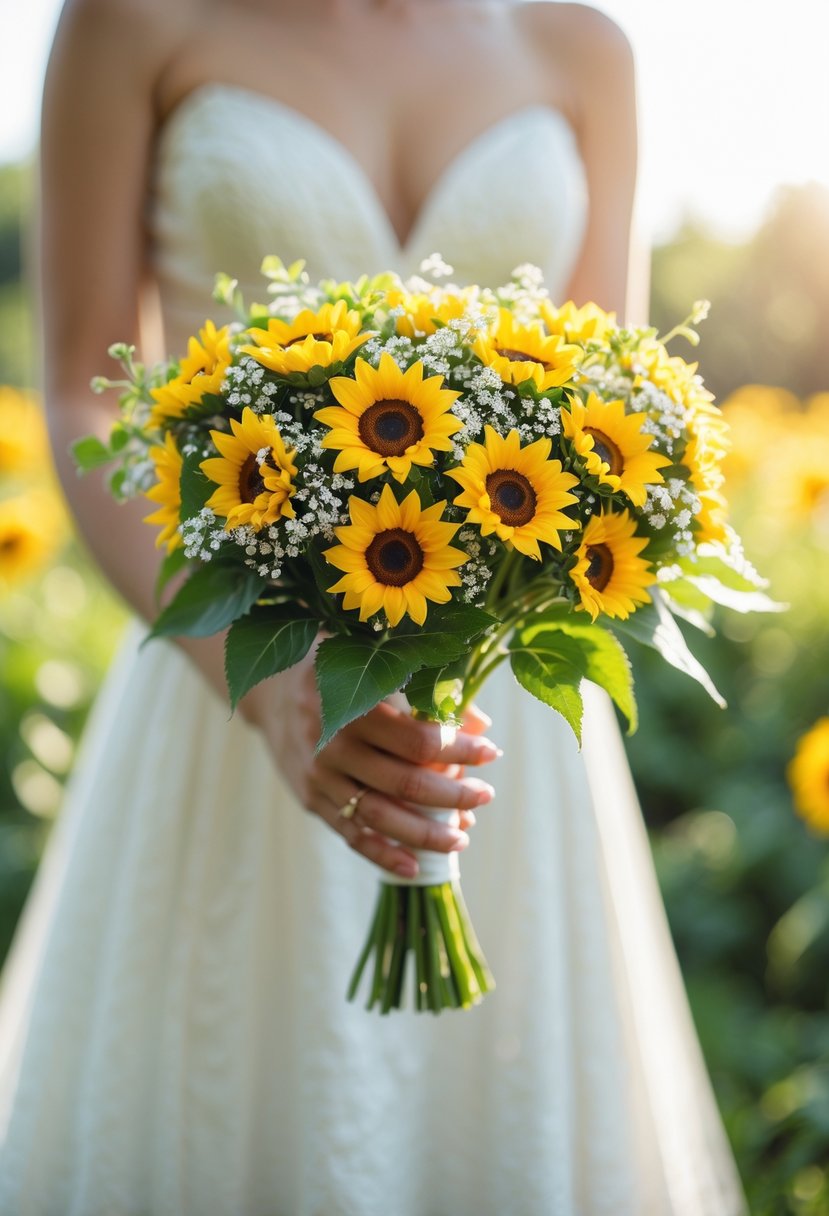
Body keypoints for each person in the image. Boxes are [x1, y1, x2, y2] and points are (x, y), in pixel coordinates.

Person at [0, 0, 747, 1211]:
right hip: (225, 670)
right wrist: (272, 695)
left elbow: (615, 401)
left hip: (497, 726)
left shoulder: (583, 49)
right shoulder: (132, 20)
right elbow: (87, 393)